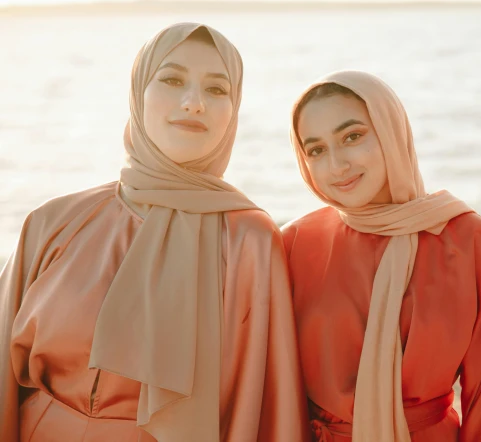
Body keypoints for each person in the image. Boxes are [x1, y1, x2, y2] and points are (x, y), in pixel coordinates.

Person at [0, 23, 309, 442]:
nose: (194, 103)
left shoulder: (249, 241)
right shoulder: (54, 221)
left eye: (217, 89)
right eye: (172, 79)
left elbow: (264, 405)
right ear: (138, 92)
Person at [283, 70, 481, 441]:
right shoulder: (294, 244)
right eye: (316, 150)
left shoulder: (471, 241)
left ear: (391, 133)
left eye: (352, 137)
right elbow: (275, 389)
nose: (336, 165)